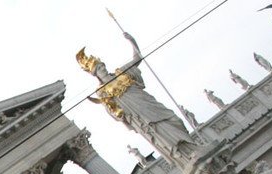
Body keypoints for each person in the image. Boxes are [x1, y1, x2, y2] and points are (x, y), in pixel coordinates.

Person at [79, 33, 196, 163]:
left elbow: (137, 59)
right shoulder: (102, 92)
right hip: (138, 114)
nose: (103, 69)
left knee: (175, 120)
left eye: (102, 66)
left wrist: (132, 41)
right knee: (160, 132)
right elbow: (113, 112)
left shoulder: (120, 72)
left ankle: (192, 147)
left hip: (147, 102)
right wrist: (117, 111)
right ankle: (185, 155)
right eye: (99, 68)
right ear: (95, 74)